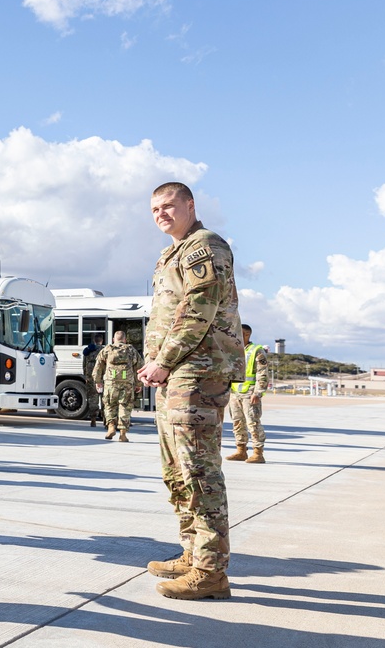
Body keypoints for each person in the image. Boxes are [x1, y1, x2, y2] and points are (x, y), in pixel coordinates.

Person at [137, 181, 244, 601]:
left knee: (199, 472)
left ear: (190, 205)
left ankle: (211, 571)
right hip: (175, 376)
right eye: (154, 209)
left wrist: (163, 361)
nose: (161, 213)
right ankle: (192, 551)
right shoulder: (172, 252)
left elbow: (200, 308)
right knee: (176, 471)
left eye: (168, 205)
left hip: (197, 373)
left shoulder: (205, 246)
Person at [225, 324, 269, 464]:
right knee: (237, 423)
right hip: (235, 392)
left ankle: (258, 453)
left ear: (246, 334)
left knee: (253, 422)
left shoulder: (257, 350)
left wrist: (258, 392)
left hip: (250, 393)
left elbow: (262, 373)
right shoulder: (233, 350)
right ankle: (241, 450)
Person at [93, 329, 144, 442]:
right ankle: (123, 434)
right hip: (127, 383)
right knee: (125, 407)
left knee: (110, 405)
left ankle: (111, 427)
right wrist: (139, 383)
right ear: (125, 339)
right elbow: (139, 367)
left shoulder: (107, 349)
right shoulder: (131, 350)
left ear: (113, 339)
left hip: (111, 383)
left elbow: (98, 367)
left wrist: (98, 381)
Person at [82, 333, 105, 427]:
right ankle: (105, 420)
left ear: (94, 341)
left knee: (92, 399)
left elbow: (84, 365)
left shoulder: (88, 351)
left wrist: (86, 377)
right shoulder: (105, 350)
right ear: (102, 341)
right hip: (103, 378)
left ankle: (93, 419)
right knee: (105, 399)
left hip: (91, 378)